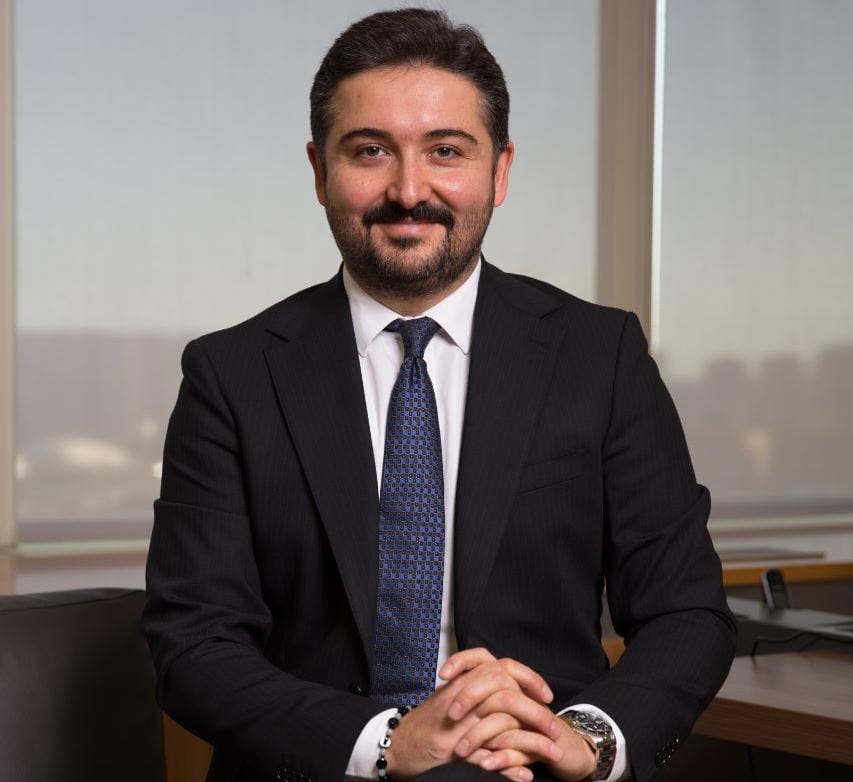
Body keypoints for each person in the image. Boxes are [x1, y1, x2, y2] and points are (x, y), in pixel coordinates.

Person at [143, 9, 735, 782]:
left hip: (532, 767)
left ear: (500, 171)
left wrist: (585, 737)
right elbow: (193, 642)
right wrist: (386, 742)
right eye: (369, 151)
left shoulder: (599, 356)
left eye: (445, 151)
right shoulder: (231, 374)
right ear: (319, 171)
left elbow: (685, 611)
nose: (408, 190)